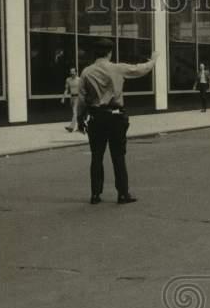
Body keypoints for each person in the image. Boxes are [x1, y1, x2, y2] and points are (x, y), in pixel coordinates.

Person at [77, 38, 159, 205]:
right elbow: (140, 70)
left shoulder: (86, 72)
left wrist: (80, 119)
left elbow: (82, 99)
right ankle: (122, 194)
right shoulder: (118, 68)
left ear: (94, 53)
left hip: (96, 117)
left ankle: (95, 195)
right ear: (110, 52)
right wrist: (153, 59)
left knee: (96, 157)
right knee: (118, 156)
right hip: (115, 117)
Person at [62, 67, 81, 132]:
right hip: (72, 97)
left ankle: (71, 127)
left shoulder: (79, 80)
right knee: (77, 113)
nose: (72, 73)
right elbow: (66, 89)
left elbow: (82, 89)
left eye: (73, 72)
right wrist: (63, 98)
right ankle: (80, 127)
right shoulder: (68, 80)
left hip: (78, 97)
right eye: (71, 72)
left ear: (76, 72)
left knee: (74, 112)